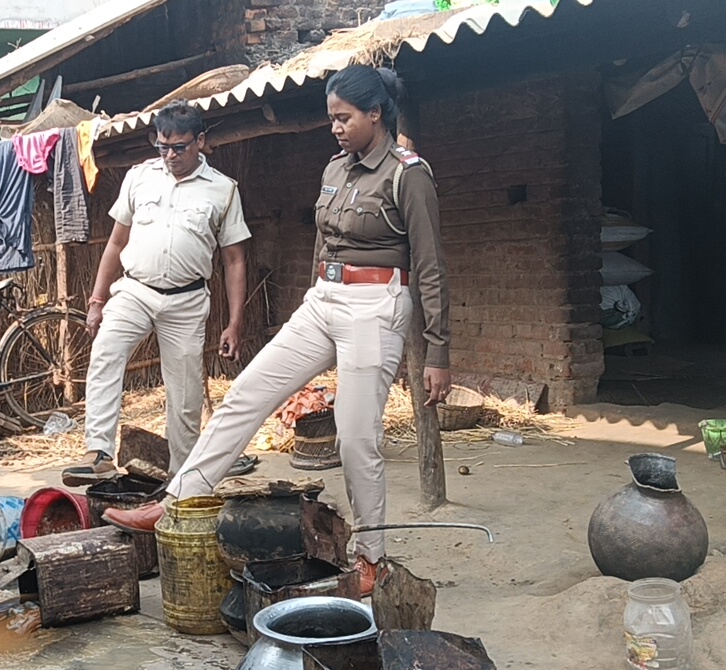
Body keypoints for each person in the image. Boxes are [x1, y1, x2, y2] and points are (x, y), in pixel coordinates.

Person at [103, 66, 452, 596]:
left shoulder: (408, 173)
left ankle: (371, 559)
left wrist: (438, 353)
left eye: (344, 118)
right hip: (324, 300)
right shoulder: (335, 168)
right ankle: (175, 500)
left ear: (375, 114)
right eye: (331, 118)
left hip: (376, 305)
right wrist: (313, 296)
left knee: (357, 438)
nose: (334, 127)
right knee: (247, 392)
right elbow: (322, 244)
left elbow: (430, 266)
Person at [61, 100, 252, 485]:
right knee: (105, 354)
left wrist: (234, 323)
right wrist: (98, 300)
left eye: (179, 147)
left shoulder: (223, 191)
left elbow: (234, 260)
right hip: (134, 290)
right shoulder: (140, 177)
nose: (170, 155)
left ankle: (183, 474)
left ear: (200, 141)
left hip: (187, 301)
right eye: (162, 146)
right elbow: (116, 243)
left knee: (185, 394)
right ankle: (98, 452)